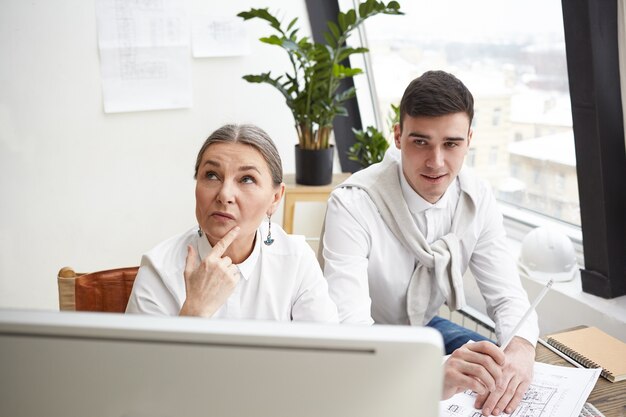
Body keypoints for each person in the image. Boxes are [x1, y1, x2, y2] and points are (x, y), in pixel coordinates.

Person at [320, 70, 538, 414]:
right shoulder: (352, 204)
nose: (436, 162)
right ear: (398, 136)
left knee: (499, 366)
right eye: (420, 141)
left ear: (469, 138)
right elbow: (351, 337)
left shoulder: (477, 196)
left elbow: (508, 296)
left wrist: (522, 349)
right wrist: (431, 377)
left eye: (451, 144)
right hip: (372, 337)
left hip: (424, 326)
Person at [127, 123, 338, 323]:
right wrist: (195, 311)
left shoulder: (297, 261)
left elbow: (329, 356)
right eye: (211, 175)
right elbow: (141, 363)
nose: (224, 194)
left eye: (246, 179)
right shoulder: (159, 269)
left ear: (275, 198)